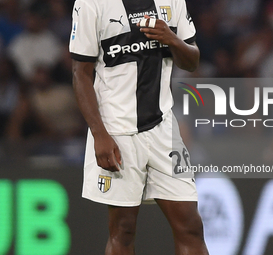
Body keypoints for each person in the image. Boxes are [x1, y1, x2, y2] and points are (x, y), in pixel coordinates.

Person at [69, 0, 209, 254]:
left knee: (190, 225)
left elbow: (192, 61)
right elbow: (81, 72)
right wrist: (99, 134)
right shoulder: (91, 3)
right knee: (123, 230)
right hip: (117, 132)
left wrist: (173, 40)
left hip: (164, 130)